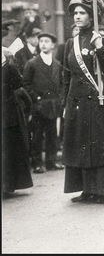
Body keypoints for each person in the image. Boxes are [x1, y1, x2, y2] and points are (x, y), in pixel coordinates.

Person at [62, 0, 104, 204]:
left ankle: (101, 189)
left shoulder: (101, 41)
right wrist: (65, 104)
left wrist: (99, 49)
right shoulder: (71, 43)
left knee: (97, 145)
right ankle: (86, 189)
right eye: (75, 13)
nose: (77, 17)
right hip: (76, 102)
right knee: (80, 145)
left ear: (91, 16)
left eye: (82, 13)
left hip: (96, 101)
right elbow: (66, 76)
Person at [22, 32, 65, 173]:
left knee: (52, 134)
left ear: (52, 45)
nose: (43, 44)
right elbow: (26, 84)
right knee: (38, 135)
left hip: (53, 105)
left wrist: (59, 99)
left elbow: (61, 83)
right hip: (38, 105)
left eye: (47, 41)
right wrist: (36, 98)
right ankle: (37, 163)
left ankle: (51, 161)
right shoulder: (32, 64)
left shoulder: (57, 65)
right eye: (41, 41)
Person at [2, 43, 34, 197]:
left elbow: (17, 83)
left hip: (6, 109)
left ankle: (7, 185)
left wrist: (9, 61)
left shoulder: (5, 58)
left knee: (8, 149)